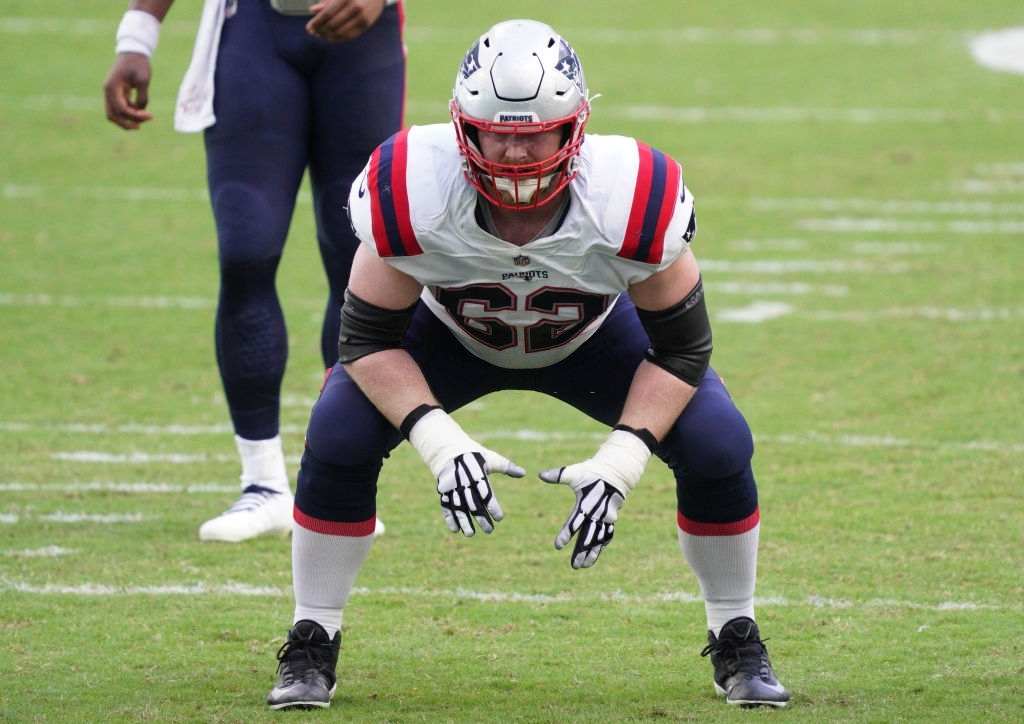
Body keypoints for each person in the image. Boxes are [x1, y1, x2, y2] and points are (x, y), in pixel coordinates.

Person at [265, 18, 790, 711]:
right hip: (447, 335)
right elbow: (363, 340)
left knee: (720, 442)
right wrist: (437, 439)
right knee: (336, 434)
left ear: (575, 125)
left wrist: (623, 457)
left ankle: (737, 634)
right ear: (462, 127)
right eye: (498, 130)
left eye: (535, 130)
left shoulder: (632, 194)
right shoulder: (412, 183)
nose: (514, 148)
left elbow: (684, 348)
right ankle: (312, 639)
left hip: (592, 340)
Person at [102, 0, 404, 541]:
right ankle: (262, 482)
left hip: (363, 40)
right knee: (246, 250)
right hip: (253, 32)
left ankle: (338, 484)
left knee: (357, 259)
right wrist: (138, 34)